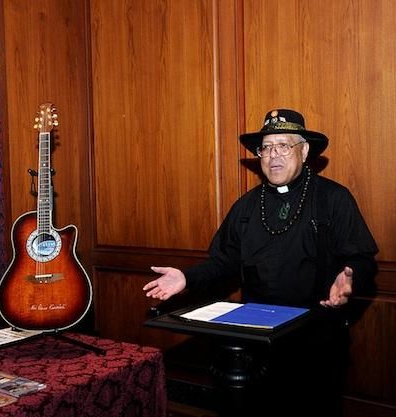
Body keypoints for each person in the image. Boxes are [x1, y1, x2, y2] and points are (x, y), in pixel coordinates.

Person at [143, 109, 378, 416]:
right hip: (254, 344)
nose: (273, 156)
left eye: (283, 145)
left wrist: (351, 278)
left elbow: (361, 258)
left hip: (315, 342)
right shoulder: (246, 206)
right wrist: (187, 279)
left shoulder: (333, 199)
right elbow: (223, 261)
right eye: (266, 148)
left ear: (304, 151)